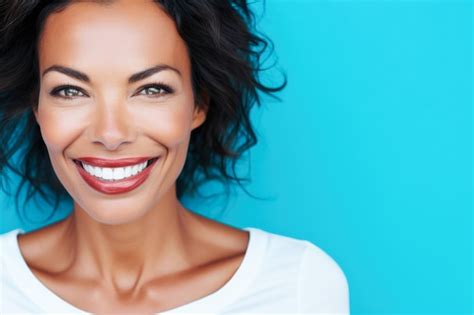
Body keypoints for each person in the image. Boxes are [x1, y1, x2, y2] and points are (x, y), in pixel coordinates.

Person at [0, 0, 350, 313]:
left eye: (152, 89)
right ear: (37, 107)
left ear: (198, 104)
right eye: (70, 91)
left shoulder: (297, 286)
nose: (110, 134)